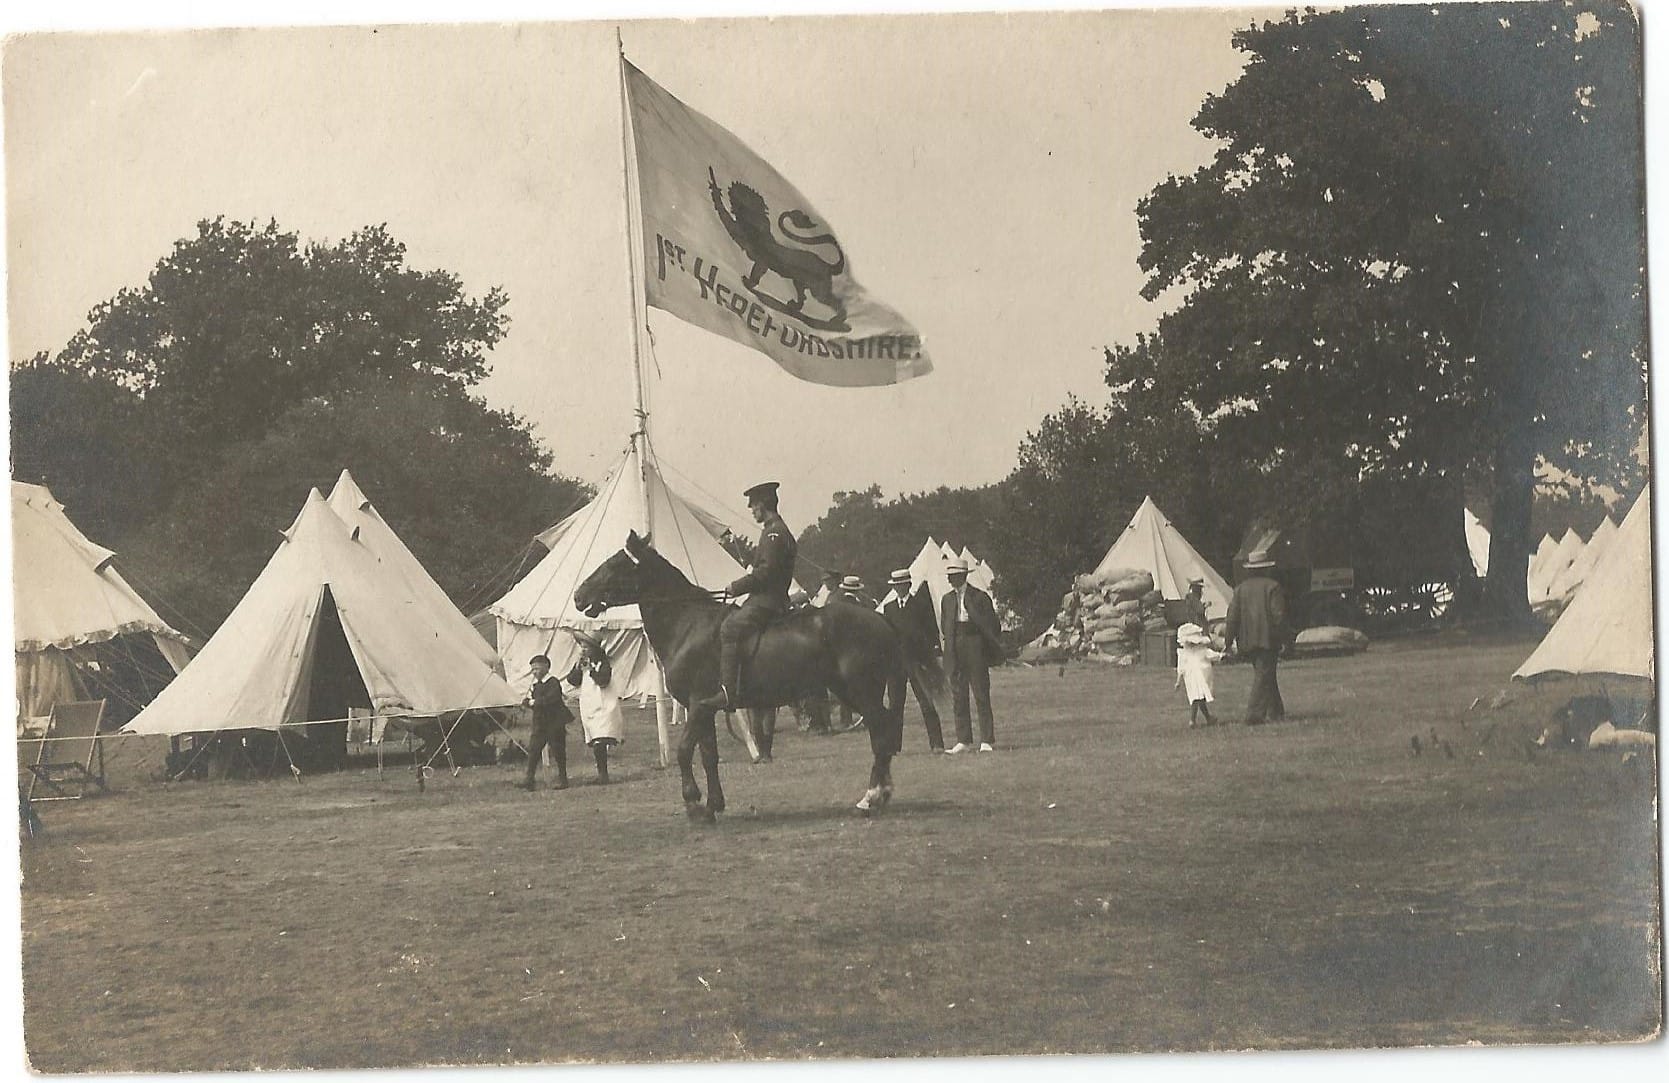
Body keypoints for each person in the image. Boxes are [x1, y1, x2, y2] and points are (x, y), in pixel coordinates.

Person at [696, 481, 797, 711]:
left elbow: (767, 573)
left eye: (753, 506)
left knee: (729, 628)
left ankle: (728, 692)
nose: (751, 510)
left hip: (768, 601)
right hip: (766, 598)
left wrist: (736, 586)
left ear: (763, 505)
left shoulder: (774, 533)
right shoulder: (774, 530)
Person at [939, 558, 1005, 753]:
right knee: (958, 695)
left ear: (963, 576)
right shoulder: (947, 599)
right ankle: (963, 739)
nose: (951, 580)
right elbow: (944, 625)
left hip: (974, 643)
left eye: (954, 576)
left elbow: (993, 625)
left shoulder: (979, 597)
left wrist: (982, 643)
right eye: (949, 577)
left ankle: (986, 739)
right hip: (954, 645)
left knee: (980, 693)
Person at [879, 568, 946, 751]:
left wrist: (927, 657)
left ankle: (937, 744)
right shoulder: (889, 608)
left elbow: (932, 632)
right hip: (896, 664)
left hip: (918, 662)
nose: (899, 589)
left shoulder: (921, 605)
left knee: (926, 702)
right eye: (896, 586)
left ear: (908, 585)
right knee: (895, 706)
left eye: (902, 585)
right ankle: (894, 746)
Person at [1224, 548, 1287, 724]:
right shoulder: (1273, 587)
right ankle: (1254, 715)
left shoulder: (1240, 590)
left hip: (1247, 640)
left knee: (1265, 674)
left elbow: (1232, 617)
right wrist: (1285, 640)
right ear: (1266, 568)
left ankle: (1276, 711)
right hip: (1268, 639)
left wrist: (1228, 642)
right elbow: (1279, 616)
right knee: (1264, 674)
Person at [569, 630, 623, 784]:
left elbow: (603, 681)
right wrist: (579, 668)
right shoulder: (582, 663)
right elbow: (573, 680)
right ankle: (602, 773)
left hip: (604, 704)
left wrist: (591, 669)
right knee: (595, 740)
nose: (583, 650)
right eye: (582, 647)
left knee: (601, 739)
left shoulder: (603, 664)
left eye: (586, 647)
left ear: (594, 649)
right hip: (589, 705)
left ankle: (603, 775)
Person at [519, 653, 575, 790]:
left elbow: (552, 699)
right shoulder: (536, 685)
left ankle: (563, 779)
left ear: (546, 667)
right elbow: (536, 704)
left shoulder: (553, 682)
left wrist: (535, 702)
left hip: (555, 722)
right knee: (534, 750)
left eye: (537, 669)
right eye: (532, 669)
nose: (534, 672)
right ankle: (529, 779)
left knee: (558, 751)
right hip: (540, 723)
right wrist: (527, 702)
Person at [1174, 622, 1225, 727]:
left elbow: (1181, 668)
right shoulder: (1196, 652)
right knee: (1197, 697)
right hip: (1198, 676)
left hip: (1194, 676)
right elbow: (1181, 668)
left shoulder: (1190, 653)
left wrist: (1178, 681)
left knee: (1198, 697)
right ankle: (1193, 720)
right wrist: (1221, 655)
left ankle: (1207, 718)